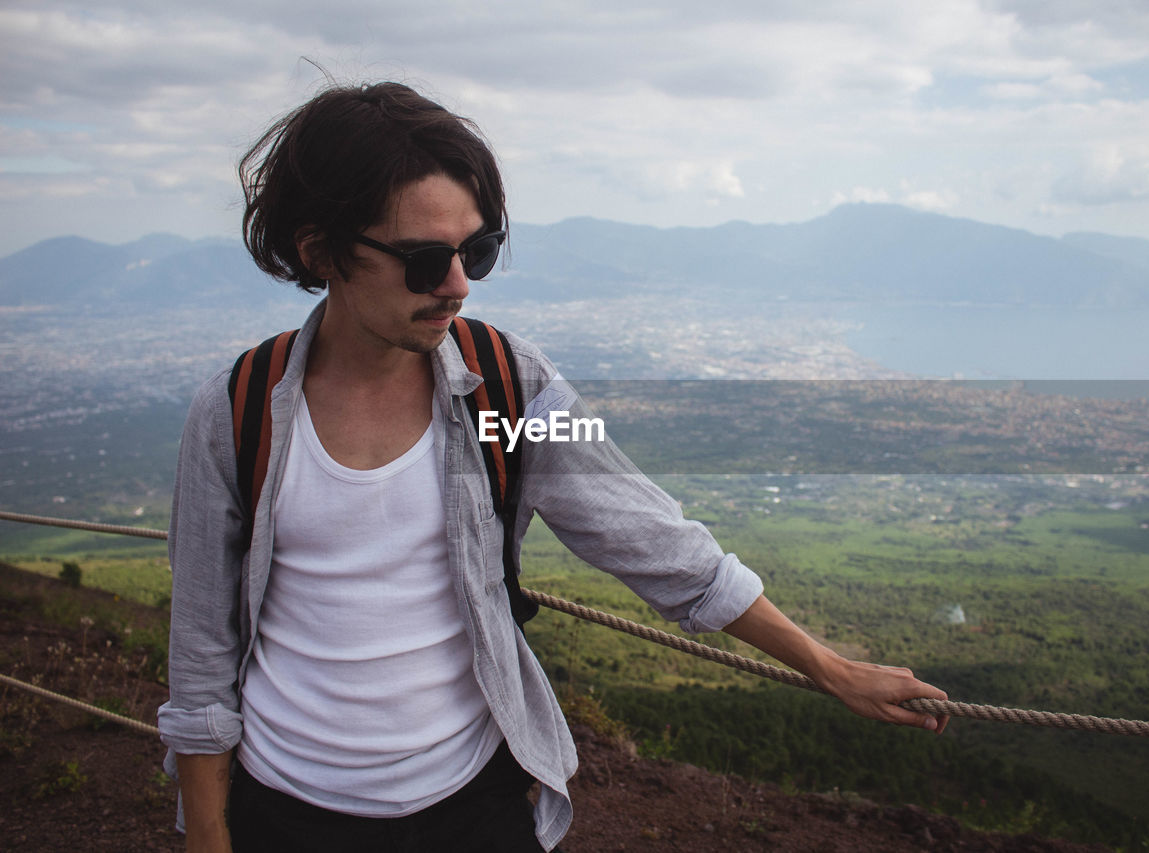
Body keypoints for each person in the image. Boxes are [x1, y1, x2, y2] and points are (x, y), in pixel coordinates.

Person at [156, 81, 948, 853]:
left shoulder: (507, 387)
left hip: (475, 804)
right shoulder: (239, 412)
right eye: (425, 258)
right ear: (321, 249)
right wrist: (211, 833)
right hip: (289, 811)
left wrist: (832, 668)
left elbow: (662, 545)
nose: (459, 285)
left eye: (478, 249)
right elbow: (200, 650)